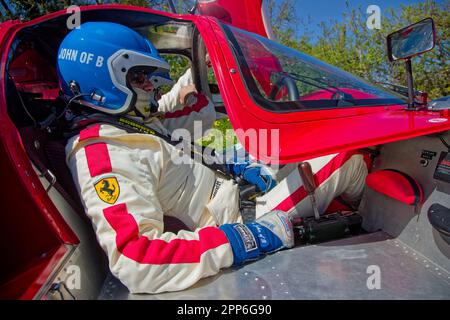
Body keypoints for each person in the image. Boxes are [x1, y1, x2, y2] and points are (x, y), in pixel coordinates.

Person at [60, 22, 368, 294]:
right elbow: (138, 260)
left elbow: (181, 123)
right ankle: (370, 223)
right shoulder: (101, 153)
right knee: (346, 156)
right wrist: (246, 238)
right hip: (243, 222)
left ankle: (342, 212)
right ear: (105, 76)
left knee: (299, 144)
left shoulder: (131, 125)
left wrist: (232, 162)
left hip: (238, 196)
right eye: (140, 76)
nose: (150, 85)